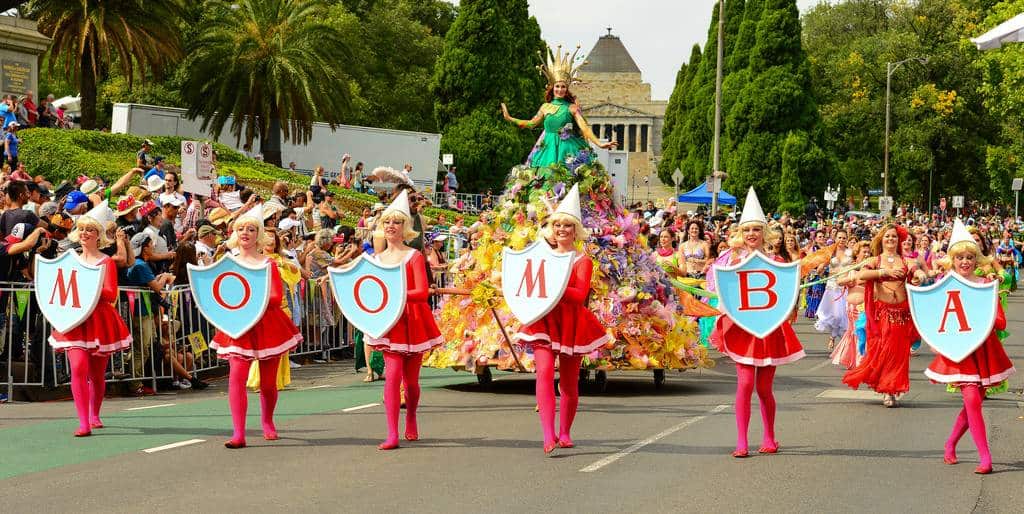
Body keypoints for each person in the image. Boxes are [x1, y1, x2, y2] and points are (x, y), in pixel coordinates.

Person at [710, 188, 805, 458]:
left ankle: (769, 436)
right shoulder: (732, 261)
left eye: (756, 229)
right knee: (744, 384)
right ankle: (741, 441)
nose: (752, 234)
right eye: (747, 230)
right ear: (741, 233)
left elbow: (786, 292)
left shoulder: (777, 261)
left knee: (764, 388)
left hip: (769, 328)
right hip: (742, 328)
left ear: (764, 233)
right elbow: (722, 289)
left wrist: (788, 310)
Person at [515, 185, 610, 453]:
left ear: (575, 230)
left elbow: (579, 295)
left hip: (571, 322)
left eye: (567, 225)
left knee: (568, 381)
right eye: (557, 225)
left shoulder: (582, 260)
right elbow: (529, 283)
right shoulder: (541, 256)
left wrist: (555, 285)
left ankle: (565, 432)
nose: (561, 229)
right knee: (544, 373)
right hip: (543, 319)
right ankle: (548, 435)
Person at [925, 219, 1015, 475]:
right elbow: (933, 319)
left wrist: (985, 316)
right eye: (960, 257)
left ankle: (950, 443)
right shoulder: (945, 286)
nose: (965, 261)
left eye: (969, 257)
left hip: (985, 351)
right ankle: (985, 458)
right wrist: (935, 341)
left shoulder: (987, 285)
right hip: (959, 352)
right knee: (973, 400)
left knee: (971, 405)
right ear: (952, 260)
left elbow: (1000, 322)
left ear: (977, 259)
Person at [207, 206, 302, 449]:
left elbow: (275, 296)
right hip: (239, 327)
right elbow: (220, 296)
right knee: (236, 378)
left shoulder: (268, 263)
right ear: (235, 233)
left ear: (258, 234)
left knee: (268, 383)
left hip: (268, 325)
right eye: (241, 229)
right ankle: (238, 433)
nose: (245, 233)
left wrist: (249, 299)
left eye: (251, 229)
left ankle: (267, 421)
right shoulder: (228, 263)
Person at [365, 190, 443, 450]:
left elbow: (422, 291)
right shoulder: (375, 259)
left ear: (405, 227)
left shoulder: (414, 256)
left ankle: (410, 418)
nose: (391, 226)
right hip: (389, 323)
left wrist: (395, 294)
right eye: (387, 221)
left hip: (413, 320)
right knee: (392, 376)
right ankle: (391, 433)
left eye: (396, 222)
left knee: (411, 381)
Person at [46, 214, 132, 436]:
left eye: (90, 230)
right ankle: (83, 422)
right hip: (74, 319)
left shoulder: (106, 262)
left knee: (96, 374)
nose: (84, 233)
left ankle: (94, 414)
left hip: (98, 320)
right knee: (78, 367)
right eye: (82, 229)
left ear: (98, 235)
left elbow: (111, 293)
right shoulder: (70, 260)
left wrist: (87, 285)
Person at [842, 224, 927, 407]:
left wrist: (920, 275)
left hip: (902, 315)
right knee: (886, 352)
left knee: (899, 354)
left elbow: (916, 269)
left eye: (894, 236)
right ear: (881, 239)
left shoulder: (905, 260)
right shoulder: (875, 260)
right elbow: (863, 274)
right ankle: (887, 390)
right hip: (883, 314)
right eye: (887, 236)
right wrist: (884, 272)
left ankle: (892, 389)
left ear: (899, 240)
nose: (890, 239)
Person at [816, 229, 852, 350]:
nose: (841, 240)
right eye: (839, 238)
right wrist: (821, 270)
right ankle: (833, 336)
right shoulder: (831, 252)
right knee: (836, 315)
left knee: (844, 315)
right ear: (835, 238)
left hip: (846, 286)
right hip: (832, 287)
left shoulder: (850, 252)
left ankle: (838, 338)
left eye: (844, 238)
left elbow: (857, 264)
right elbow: (821, 268)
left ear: (847, 239)